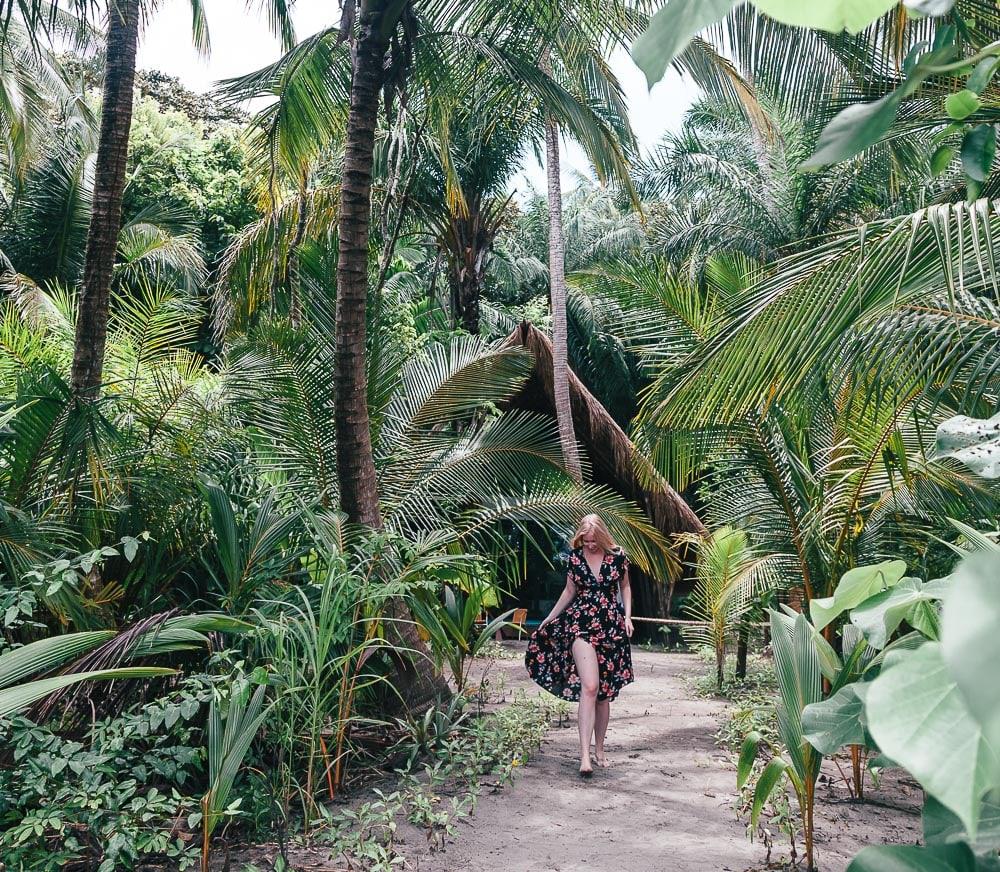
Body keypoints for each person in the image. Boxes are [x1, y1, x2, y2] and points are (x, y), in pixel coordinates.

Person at [524, 514, 634, 777]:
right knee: (590, 686)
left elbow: (626, 586)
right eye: (586, 542)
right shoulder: (574, 559)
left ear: (603, 537)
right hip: (580, 624)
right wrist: (549, 619)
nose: (590, 545)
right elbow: (569, 592)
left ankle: (600, 749)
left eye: (594, 541)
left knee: (604, 694)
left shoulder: (618, 557)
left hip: (610, 628)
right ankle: (584, 755)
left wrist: (628, 616)